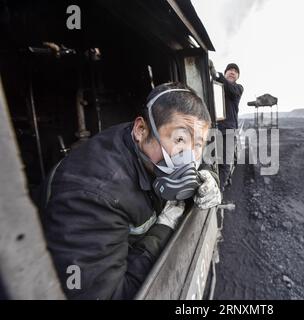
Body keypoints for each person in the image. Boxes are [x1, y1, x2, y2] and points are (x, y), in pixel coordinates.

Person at [38, 82, 222, 299]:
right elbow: (110, 295)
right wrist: (164, 229)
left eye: (198, 144)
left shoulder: (150, 144)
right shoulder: (92, 197)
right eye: (179, 139)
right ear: (141, 130)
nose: (189, 156)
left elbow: (200, 160)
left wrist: (210, 176)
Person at [211, 62, 244, 191]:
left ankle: (218, 192)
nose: (232, 72)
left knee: (224, 164)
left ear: (237, 76)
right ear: (225, 73)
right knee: (210, 162)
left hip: (229, 131)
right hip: (213, 129)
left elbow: (231, 90)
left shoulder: (238, 88)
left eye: (235, 71)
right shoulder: (215, 86)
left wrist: (217, 75)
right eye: (229, 70)